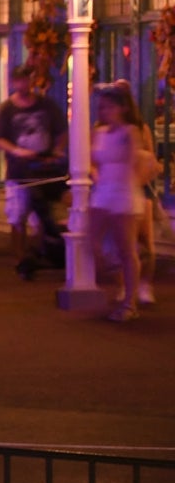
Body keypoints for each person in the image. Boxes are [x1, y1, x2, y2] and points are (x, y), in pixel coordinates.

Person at [0, 64, 67, 272]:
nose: (24, 85)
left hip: (43, 169)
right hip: (18, 171)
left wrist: (57, 152)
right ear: (14, 83)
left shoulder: (46, 105)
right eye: (20, 81)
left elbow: (61, 132)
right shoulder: (7, 110)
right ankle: (19, 256)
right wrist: (17, 150)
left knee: (43, 215)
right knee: (17, 214)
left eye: (27, 80)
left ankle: (42, 252)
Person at [90, 84, 153, 321]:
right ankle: (119, 280)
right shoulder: (100, 133)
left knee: (126, 249)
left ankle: (130, 302)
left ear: (121, 108)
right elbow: (92, 160)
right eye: (101, 107)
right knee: (93, 242)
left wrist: (130, 187)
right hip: (103, 190)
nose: (104, 111)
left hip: (123, 192)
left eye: (108, 107)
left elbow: (136, 164)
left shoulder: (129, 133)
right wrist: (96, 175)